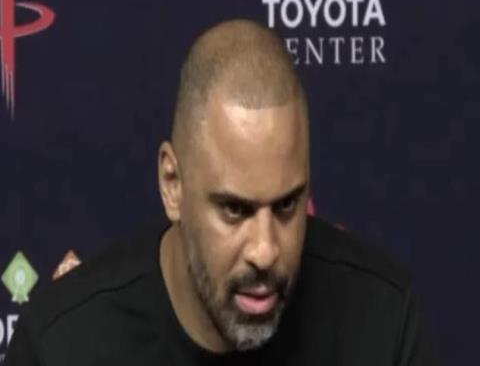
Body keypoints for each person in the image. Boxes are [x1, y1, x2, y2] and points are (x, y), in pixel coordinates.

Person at [6, 20, 431, 365]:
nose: (265, 251)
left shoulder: (381, 322)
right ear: (172, 184)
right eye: (234, 209)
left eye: (287, 205)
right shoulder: (64, 345)